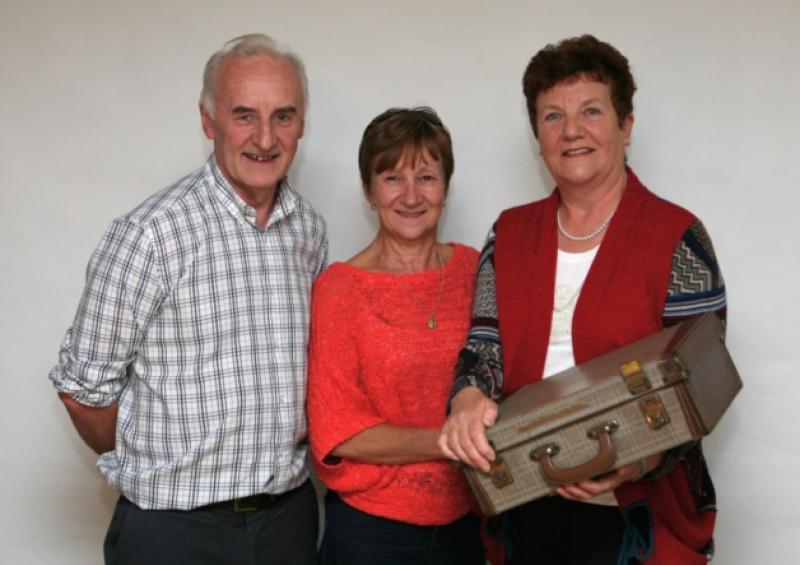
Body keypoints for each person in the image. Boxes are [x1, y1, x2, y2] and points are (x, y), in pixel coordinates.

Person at [439, 35, 726, 565]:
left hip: (640, 519)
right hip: (523, 509)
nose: (572, 131)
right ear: (537, 136)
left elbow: (700, 384)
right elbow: (483, 346)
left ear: (626, 125)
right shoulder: (508, 233)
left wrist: (642, 458)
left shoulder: (679, 236)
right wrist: (467, 397)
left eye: (591, 111)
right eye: (553, 116)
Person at [49, 33, 327, 565]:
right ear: (209, 122)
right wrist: (153, 463)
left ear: (302, 125)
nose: (265, 138)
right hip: (173, 532)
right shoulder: (149, 235)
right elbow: (82, 388)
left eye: (284, 116)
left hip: (287, 523)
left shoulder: (309, 232)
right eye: (244, 115)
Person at [307, 107, 485, 565]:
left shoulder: (473, 269)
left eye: (426, 176)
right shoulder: (341, 288)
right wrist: (453, 440)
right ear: (368, 190)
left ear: (446, 187)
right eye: (392, 178)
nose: (410, 196)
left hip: (469, 522)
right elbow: (340, 433)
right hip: (372, 536)